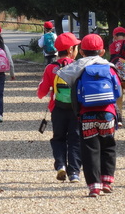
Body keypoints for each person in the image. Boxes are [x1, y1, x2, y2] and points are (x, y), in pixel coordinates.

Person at [57, 34, 122, 198]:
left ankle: (94, 186)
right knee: (108, 146)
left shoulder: (79, 68)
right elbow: (118, 92)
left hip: (87, 115)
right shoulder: (110, 67)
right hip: (107, 114)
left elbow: (67, 83)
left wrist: (77, 112)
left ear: (82, 52)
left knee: (89, 149)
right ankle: (107, 181)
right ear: (102, 51)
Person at [37, 32, 82, 183]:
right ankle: (74, 172)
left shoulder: (51, 67)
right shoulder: (79, 66)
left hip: (57, 108)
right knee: (75, 139)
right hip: (77, 109)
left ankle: (60, 165)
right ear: (70, 50)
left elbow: (41, 92)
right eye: (76, 47)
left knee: (58, 138)